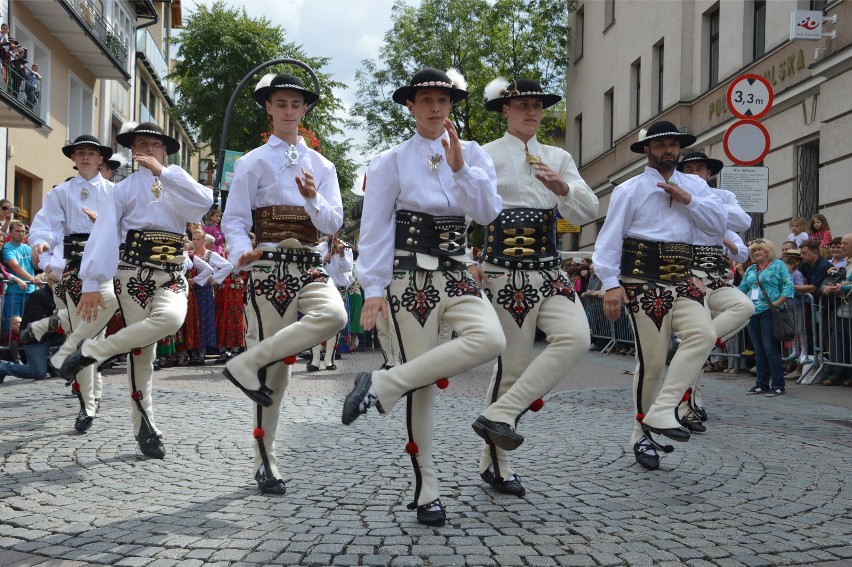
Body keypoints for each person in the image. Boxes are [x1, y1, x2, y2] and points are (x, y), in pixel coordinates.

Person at [341, 67, 505, 526]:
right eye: (426, 99)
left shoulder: (472, 154)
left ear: (451, 105)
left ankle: (381, 384)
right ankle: (426, 488)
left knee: (491, 340)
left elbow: (488, 211)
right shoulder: (389, 160)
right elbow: (374, 229)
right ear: (411, 106)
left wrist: (460, 170)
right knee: (424, 386)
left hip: (456, 273)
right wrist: (372, 289)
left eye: (443, 99)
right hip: (408, 277)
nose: (436, 107)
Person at [220, 73, 347, 495]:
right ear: (269, 108)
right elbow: (235, 218)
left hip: (310, 262)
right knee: (277, 376)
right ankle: (266, 459)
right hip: (268, 264)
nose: (290, 111)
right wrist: (241, 249)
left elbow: (333, 224)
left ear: (305, 109)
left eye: (297, 104)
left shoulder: (323, 166)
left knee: (334, 314)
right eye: (282, 104)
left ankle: (245, 362)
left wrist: (312, 197)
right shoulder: (251, 161)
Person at [58, 121, 213, 459]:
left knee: (171, 319)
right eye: (140, 144)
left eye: (154, 145)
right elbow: (105, 235)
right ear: (131, 150)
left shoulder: (177, 183)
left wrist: (166, 174)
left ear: (164, 150)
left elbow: (204, 202)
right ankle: (145, 427)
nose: (147, 150)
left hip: (172, 271)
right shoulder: (122, 189)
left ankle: (94, 352)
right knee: (143, 353)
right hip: (131, 274)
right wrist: (89, 282)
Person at [474, 77, 598, 497]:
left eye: (537, 105)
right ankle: (498, 463)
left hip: (549, 268)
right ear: (505, 110)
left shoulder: (558, 156)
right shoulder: (485, 155)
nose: (531, 111)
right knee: (514, 362)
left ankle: (501, 414)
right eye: (522, 104)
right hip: (503, 269)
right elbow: (465, 206)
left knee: (577, 337)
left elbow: (588, 209)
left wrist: (562, 188)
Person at [592, 121, 727, 471]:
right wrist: (610, 283)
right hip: (642, 282)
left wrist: (690, 200)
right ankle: (641, 433)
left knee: (704, 334)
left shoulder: (694, 184)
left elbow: (718, 225)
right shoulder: (629, 190)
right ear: (647, 150)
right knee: (651, 363)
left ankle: (663, 411)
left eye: (673, 144)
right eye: (661, 144)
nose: (668, 150)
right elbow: (609, 240)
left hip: (682, 280)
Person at [28, 134, 118, 433]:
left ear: (100, 158)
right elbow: (46, 226)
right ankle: (88, 401)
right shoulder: (61, 192)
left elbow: (123, 229)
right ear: (73, 158)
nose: (86, 158)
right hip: (71, 268)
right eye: (80, 153)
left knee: (91, 334)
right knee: (80, 336)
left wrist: (102, 224)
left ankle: (90, 397)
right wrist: (41, 244)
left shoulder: (112, 192)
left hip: (102, 267)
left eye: (91, 153)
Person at [675, 151, 753, 425]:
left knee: (744, 306)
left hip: (715, 276)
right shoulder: (673, 194)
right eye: (690, 169)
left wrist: (701, 203)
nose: (695, 174)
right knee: (694, 341)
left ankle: (705, 342)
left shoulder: (722, 197)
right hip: (687, 278)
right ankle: (686, 404)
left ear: (709, 173)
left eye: (700, 169)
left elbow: (743, 230)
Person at [739, 239, 794, 396]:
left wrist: (778, 303)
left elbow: (788, 285)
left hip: (770, 311)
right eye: (754, 251)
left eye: (760, 250)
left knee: (771, 348)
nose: (757, 253)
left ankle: (777, 384)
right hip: (752, 311)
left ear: (768, 251)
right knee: (759, 349)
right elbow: (742, 288)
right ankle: (761, 384)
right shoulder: (750, 268)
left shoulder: (778, 265)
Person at [0, 282, 64, 383]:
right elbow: (40, 321)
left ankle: (53, 366)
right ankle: (2, 366)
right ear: (50, 282)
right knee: (38, 373)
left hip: (55, 334)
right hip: (34, 336)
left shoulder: (65, 295)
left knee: (76, 339)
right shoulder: (38, 295)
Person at [308, 235, 354, 371]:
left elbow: (348, 268)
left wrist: (341, 255)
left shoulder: (346, 248)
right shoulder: (318, 248)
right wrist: (322, 262)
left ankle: (329, 360)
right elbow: (310, 269)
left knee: (335, 325)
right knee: (317, 323)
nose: (332, 233)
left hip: (339, 288)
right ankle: (315, 360)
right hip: (322, 287)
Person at [821, 232, 852, 386]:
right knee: (838, 341)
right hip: (842, 309)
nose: (842, 246)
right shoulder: (845, 263)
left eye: (845, 243)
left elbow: (847, 285)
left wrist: (842, 288)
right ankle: (838, 374)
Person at [3, 220, 41, 330]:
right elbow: (15, 267)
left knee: (28, 323)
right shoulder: (7, 248)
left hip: (30, 292)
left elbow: (37, 265)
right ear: (10, 232)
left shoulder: (28, 248)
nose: (21, 233)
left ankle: (24, 346)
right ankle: (11, 346)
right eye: (17, 231)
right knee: (12, 324)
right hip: (14, 292)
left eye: (23, 231)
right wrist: (32, 279)